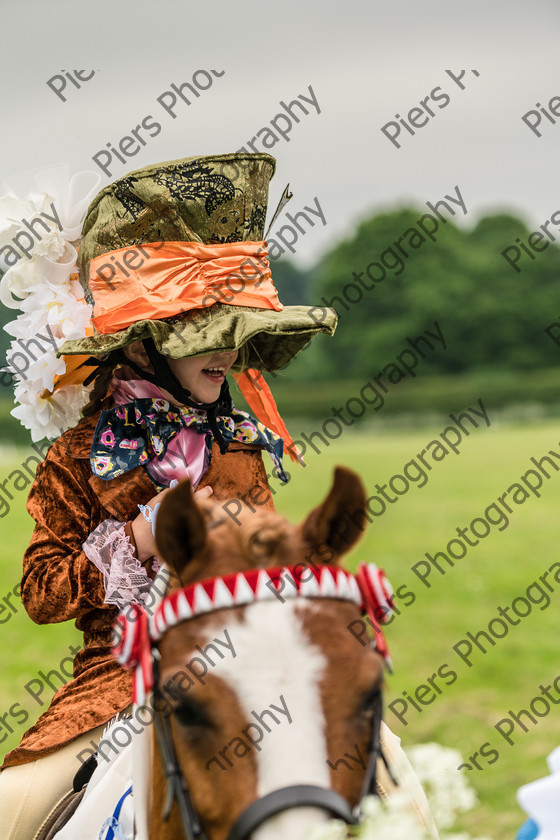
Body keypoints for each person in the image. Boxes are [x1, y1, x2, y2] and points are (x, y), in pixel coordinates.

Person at [0, 151, 436, 839]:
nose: (228, 354)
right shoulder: (78, 453)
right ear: (144, 340)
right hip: (115, 688)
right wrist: (135, 541)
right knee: (10, 810)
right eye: (206, 335)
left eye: (238, 334)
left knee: (400, 783)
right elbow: (40, 591)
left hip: (254, 676)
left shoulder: (242, 443)